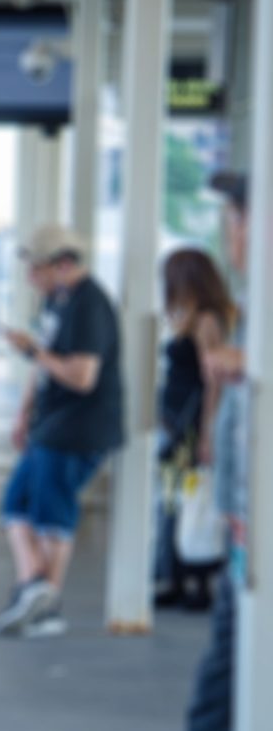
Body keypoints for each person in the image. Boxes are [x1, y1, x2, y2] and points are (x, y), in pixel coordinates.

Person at [86, 171, 249, 731]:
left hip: (257, 567)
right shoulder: (232, 321)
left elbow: (214, 414)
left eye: (240, 216)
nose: (235, 231)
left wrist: (220, 428)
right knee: (219, 713)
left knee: (221, 713)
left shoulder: (225, 326)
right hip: (251, 560)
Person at [0, 224, 124, 638]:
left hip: (77, 430)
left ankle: (45, 606)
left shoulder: (89, 306)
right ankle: (35, 591)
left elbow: (82, 376)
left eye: (37, 267)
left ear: (63, 264)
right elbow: (44, 365)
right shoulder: (58, 302)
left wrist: (32, 350)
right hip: (51, 426)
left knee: (51, 516)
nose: (30, 277)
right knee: (16, 505)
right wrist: (23, 412)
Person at [154, 248, 234, 611]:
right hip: (177, 424)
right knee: (175, 501)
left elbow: (212, 381)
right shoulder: (191, 317)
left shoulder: (206, 321)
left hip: (191, 427)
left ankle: (196, 583)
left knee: (191, 501)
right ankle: (177, 578)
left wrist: (207, 433)